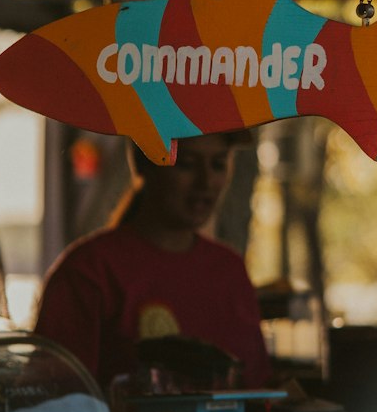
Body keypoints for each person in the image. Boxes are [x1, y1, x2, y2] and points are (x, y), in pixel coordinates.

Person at [34, 133, 271, 392]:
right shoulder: (89, 271)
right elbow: (54, 400)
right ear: (143, 163)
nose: (206, 182)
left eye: (218, 164)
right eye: (187, 164)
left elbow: (257, 389)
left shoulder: (230, 270)